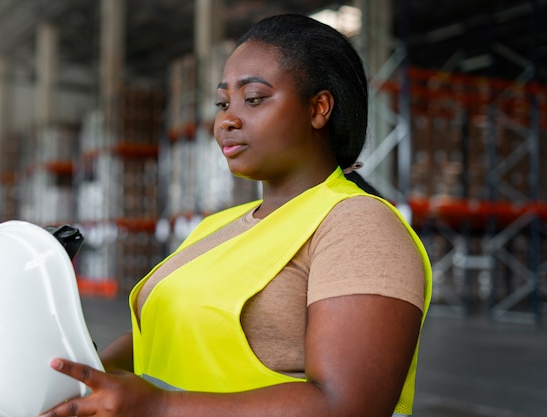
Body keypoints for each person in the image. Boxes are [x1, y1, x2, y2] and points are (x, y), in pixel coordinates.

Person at [40, 13, 432, 417]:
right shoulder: (218, 226)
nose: (227, 119)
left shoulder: (356, 227)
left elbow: (348, 405)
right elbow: (158, 341)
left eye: (255, 99)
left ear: (319, 108)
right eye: (222, 103)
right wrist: (77, 379)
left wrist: (161, 407)